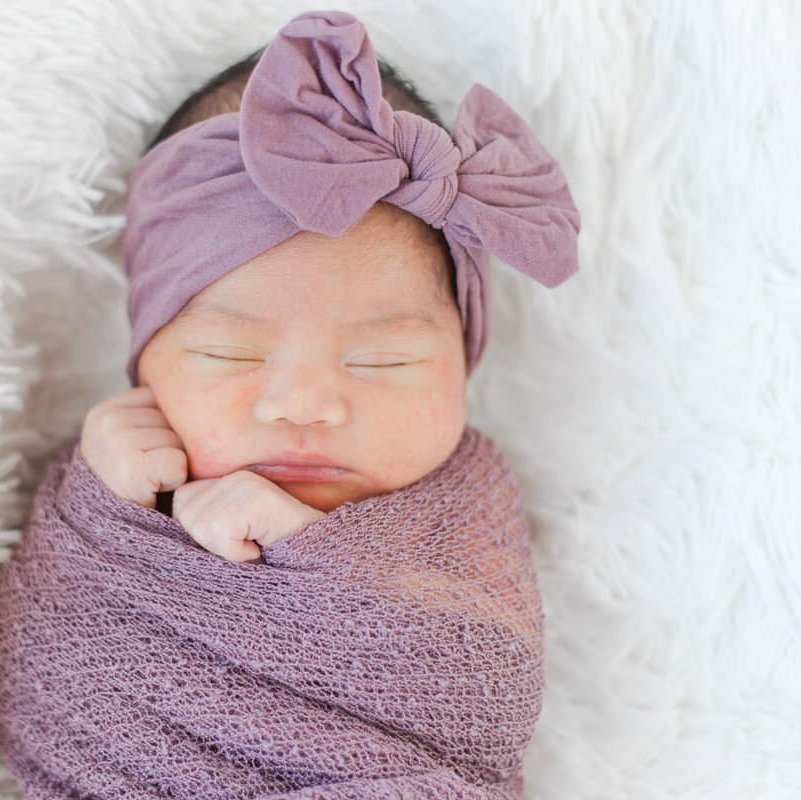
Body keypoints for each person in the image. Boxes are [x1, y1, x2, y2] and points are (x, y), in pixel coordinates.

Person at [77, 9, 580, 566]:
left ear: (464, 357)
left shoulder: (470, 510)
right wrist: (103, 505)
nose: (305, 407)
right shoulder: (106, 473)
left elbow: (481, 648)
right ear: (143, 352)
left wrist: (323, 559)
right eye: (229, 353)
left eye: (385, 361)